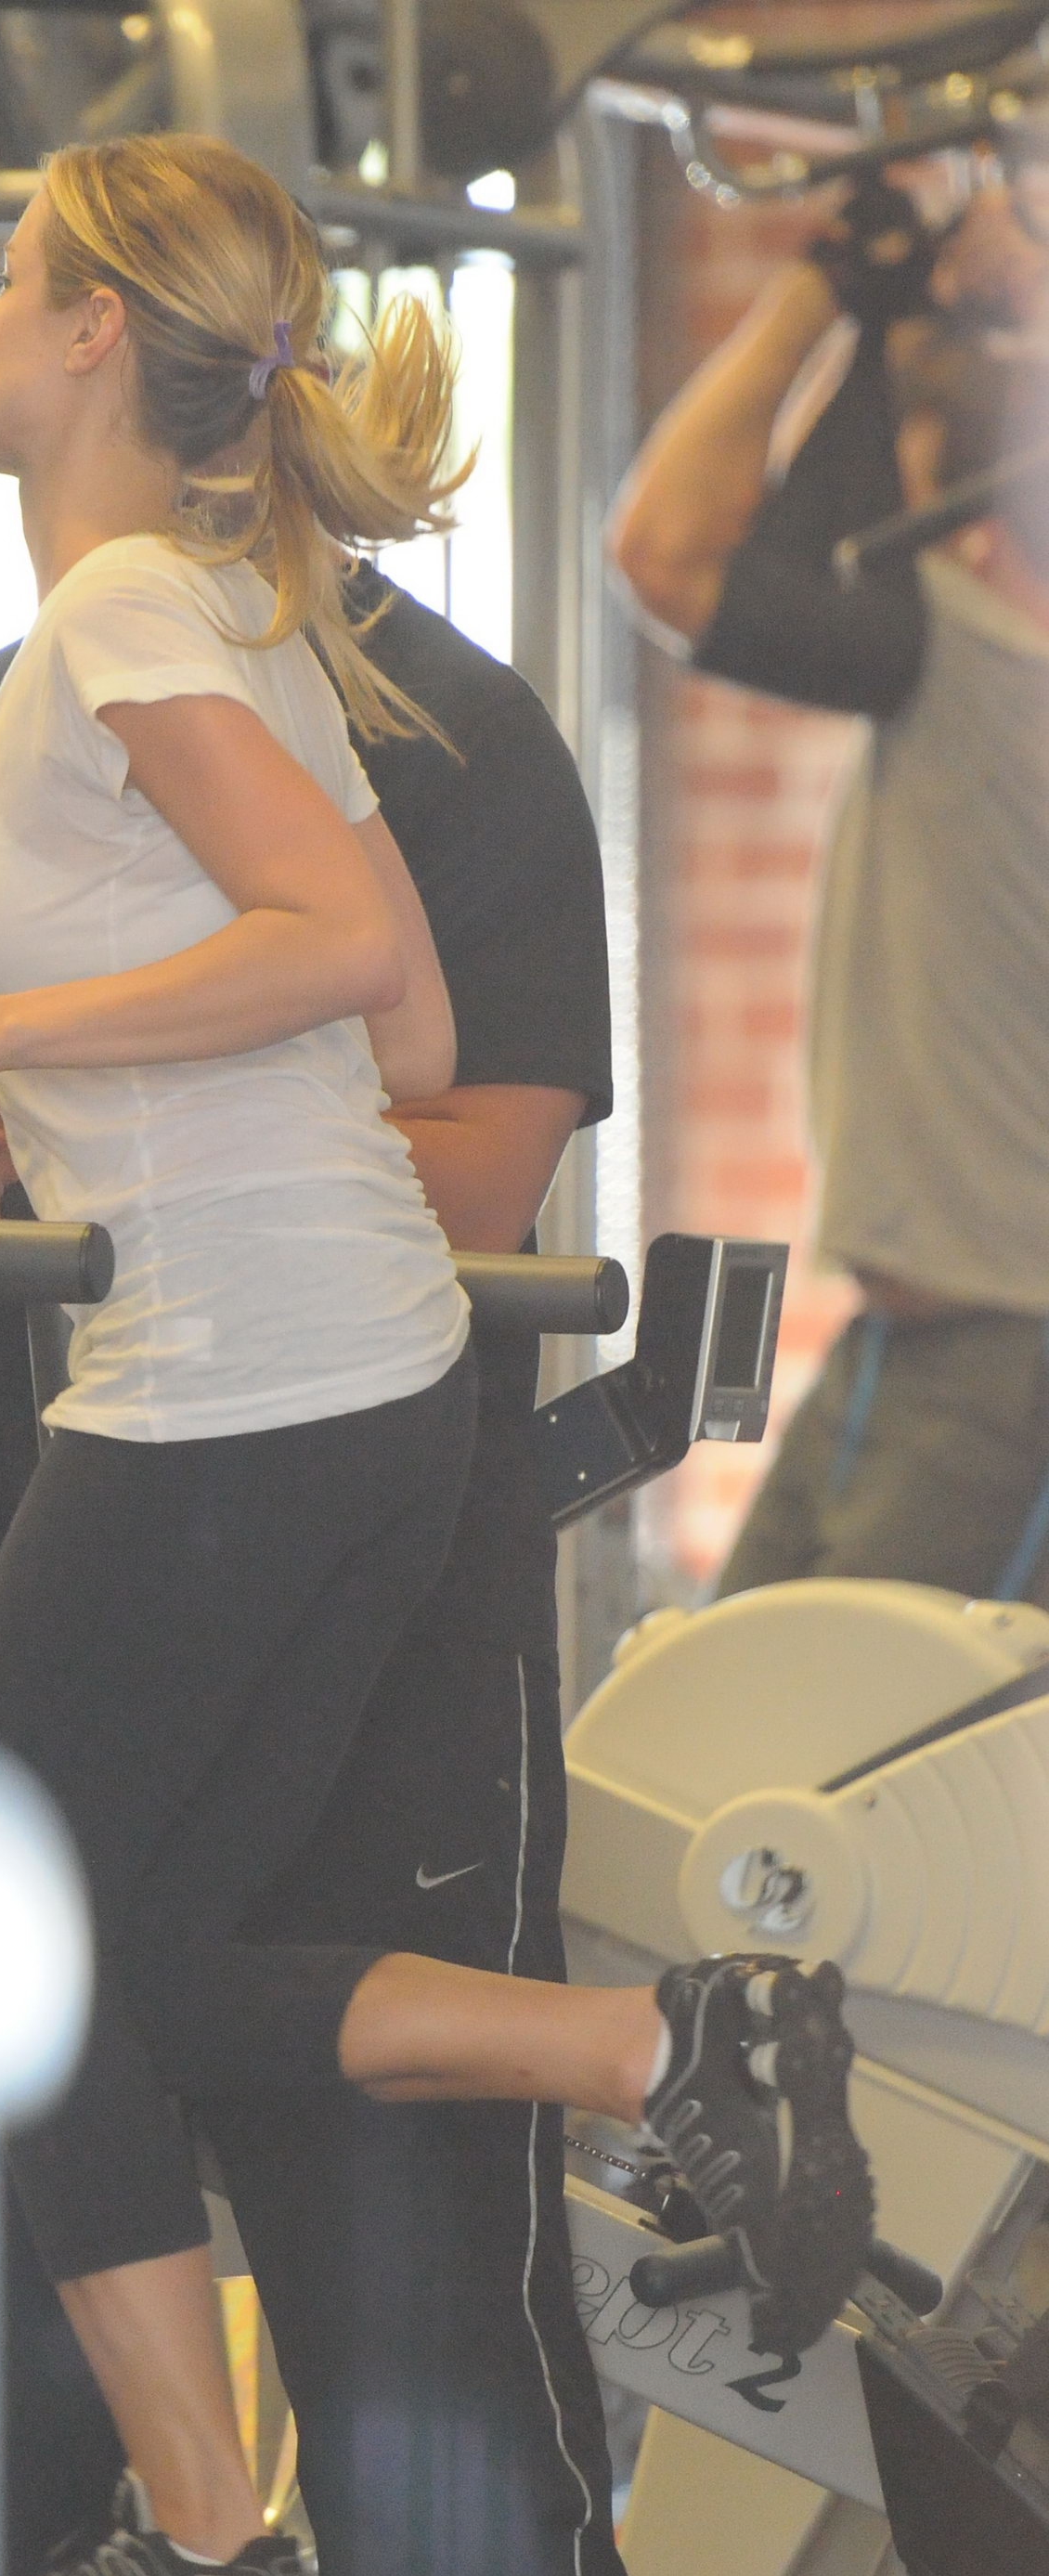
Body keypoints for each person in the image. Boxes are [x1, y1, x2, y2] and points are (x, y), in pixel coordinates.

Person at [0, 131, 870, 2576]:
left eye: (9, 280)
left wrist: (22, 1061)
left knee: (376, 2286)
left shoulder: (381, 707)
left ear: (106, 333)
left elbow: (442, 1118)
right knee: (55, 2040)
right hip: (29, 1504)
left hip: (283, 1474)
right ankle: (651, 2057)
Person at [608, 180, 1049, 1609]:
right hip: (899, 1342)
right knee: (724, 1704)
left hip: (1006, 1363)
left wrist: (825, 293)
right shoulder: (955, 659)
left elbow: (669, 549)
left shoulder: (984, 667)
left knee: (845, 1736)